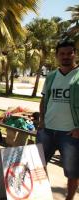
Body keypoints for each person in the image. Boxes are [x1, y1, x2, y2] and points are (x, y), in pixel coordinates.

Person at [37, 39, 79, 200]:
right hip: (47, 130)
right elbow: (44, 100)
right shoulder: (52, 76)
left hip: (70, 134)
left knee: (72, 171)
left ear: (75, 54)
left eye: (69, 53)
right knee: (38, 166)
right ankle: (42, 194)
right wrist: (41, 121)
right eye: (62, 54)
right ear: (56, 56)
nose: (66, 56)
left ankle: (69, 198)